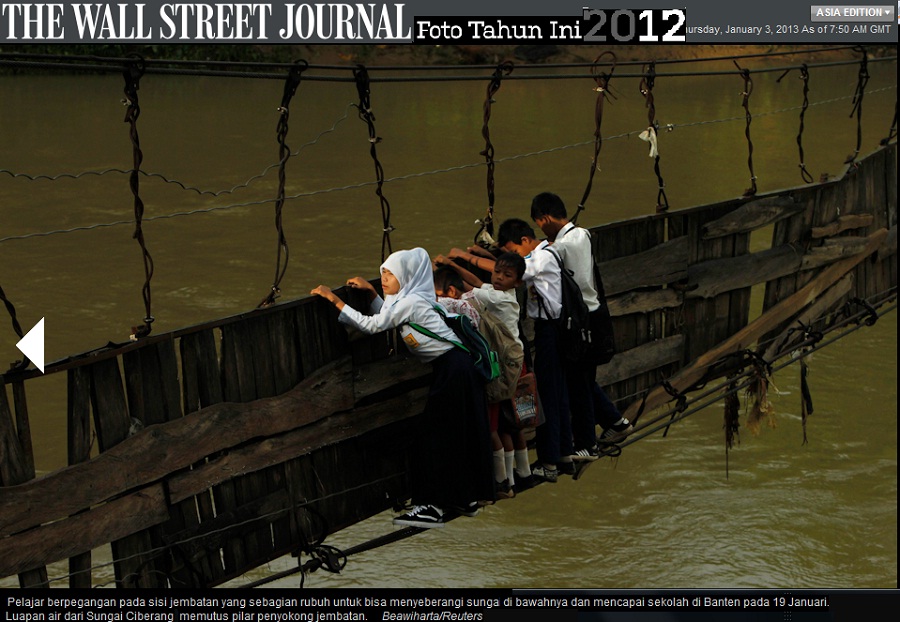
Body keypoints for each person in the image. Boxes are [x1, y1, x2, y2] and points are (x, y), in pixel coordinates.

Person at [310, 248, 494, 528]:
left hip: (454, 371)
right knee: (456, 433)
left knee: (435, 438)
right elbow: (389, 315)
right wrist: (373, 295)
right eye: (382, 272)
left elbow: (373, 326)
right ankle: (465, 498)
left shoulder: (412, 303)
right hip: (456, 369)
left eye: (390, 274)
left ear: (406, 276)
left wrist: (333, 299)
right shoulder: (413, 298)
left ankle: (431, 506)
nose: (384, 278)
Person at [529, 192, 633, 452]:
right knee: (582, 379)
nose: (541, 229)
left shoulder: (566, 244)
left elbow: (534, 262)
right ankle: (616, 422)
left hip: (582, 322)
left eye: (540, 222)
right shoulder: (580, 235)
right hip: (589, 317)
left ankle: (587, 445)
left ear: (546, 218)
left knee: (579, 384)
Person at [436, 251, 534, 495]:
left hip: (501, 368)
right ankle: (523, 475)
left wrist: (450, 266)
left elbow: (470, 286)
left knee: (495, 425)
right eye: (497, 272)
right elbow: (478, 283)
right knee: (514, 423)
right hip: (517, 363)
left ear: (518, 282)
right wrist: (452, 264)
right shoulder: (503, 293)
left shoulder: (498, 298)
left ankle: (503, 481)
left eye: (506, 275)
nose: (499, 277)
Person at [496, 219, 575, 483]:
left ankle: (549, 462)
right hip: (557, 329)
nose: (514, 258)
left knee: (549, 398)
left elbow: (512, 273)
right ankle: (564, 454)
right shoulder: (545, 253)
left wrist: (465, 258)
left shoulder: (540, 258)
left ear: (525, 241)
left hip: (550, 331)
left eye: (514, 251)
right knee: (559, 394)